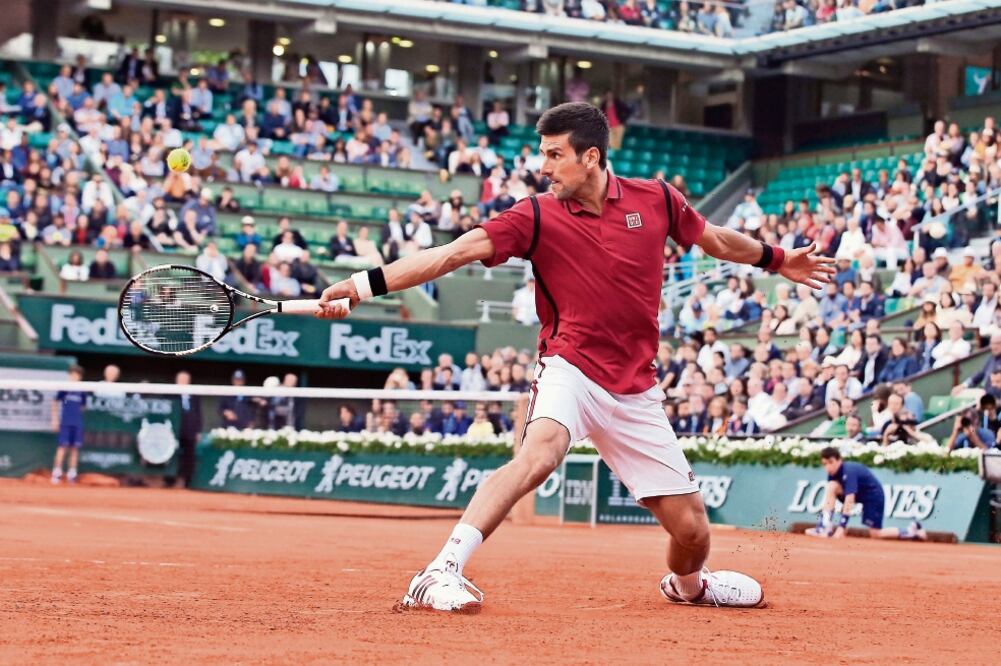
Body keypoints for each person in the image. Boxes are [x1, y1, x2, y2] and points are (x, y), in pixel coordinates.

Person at [315, 102, 834, 612]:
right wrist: (361, 286)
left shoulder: (656, 199)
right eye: (542, 155)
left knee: (693, 531)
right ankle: (439, 571)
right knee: (540, 454)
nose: (544, 167)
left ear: (591, 157)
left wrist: (779, 258)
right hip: (571, 367)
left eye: (554, 155)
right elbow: (451, 253)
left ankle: (690, 588)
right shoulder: (535, 215)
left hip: (636, 388)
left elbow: (716, 239)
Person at [807, 448, 927, 541]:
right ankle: (824, 527)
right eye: (825, 464)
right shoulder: (832, 474)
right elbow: (833, 496)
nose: (828, 467)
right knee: (831, 486)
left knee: (875, 534)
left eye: (830, 462)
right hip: (860, 495)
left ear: (839, 460)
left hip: (873, 496)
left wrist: (841, 528)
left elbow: (850, 500)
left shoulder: (849, 471)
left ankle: (911, 531)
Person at [172, 370, 202, 488]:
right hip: (175, 431)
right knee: (174, 456)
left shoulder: (194, 395)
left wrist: (198, 431)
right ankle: (171, 480)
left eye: (185, 380)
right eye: (180, 379)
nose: (183, 382)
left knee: (189, 457)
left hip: (190, 431)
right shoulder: (171, 394)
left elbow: (198, 414)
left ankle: (186, 481)